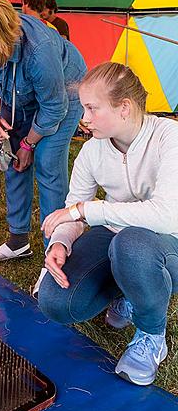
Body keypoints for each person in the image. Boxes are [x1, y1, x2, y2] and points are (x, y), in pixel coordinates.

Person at [39, 62, 178, 386]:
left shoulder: (169, 138)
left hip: (169, 242)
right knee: (55, 301)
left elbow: (167, 215)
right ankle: (130, 286)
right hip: (119, 237)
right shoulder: (92, 151)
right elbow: (72, 208)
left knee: (131, 244)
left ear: (124, 107)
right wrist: (62, 242)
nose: (84, 119)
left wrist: (87, 211)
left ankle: (151, 336)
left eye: (91, 108)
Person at [0, 0, 86, 278]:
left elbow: (53, 107)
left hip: (63, 95)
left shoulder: (40, 50)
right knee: (12, 159)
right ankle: (18, 240)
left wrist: (29, 143)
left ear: (0, 44)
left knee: (47, 164)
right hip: (19, 92)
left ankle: (55, 253)